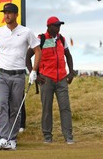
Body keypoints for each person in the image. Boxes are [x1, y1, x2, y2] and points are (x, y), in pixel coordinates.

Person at [0, 3, 41, 150]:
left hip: (18, 75)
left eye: (9, 13)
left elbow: (38, 51)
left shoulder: (26, 32)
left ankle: (12, 139)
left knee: (15, 107)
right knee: (2, 104)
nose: (6, 15)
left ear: (16, 15)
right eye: (5, 13)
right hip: (1, 74)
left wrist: (34, 70)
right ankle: (3, 137)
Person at [26, 16, 75, 144]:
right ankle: (47, 137)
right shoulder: (41, 39)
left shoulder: (61, 39)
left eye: (59, 25)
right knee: (46, 108)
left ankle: (68, 136)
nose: (58, 28)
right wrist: (34, 73)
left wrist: (71, 72)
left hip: (62, 79)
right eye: (56, 25)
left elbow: (68, 56)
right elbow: (28, 56)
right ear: (49, 26)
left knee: (65, 108)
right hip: (46, 79)